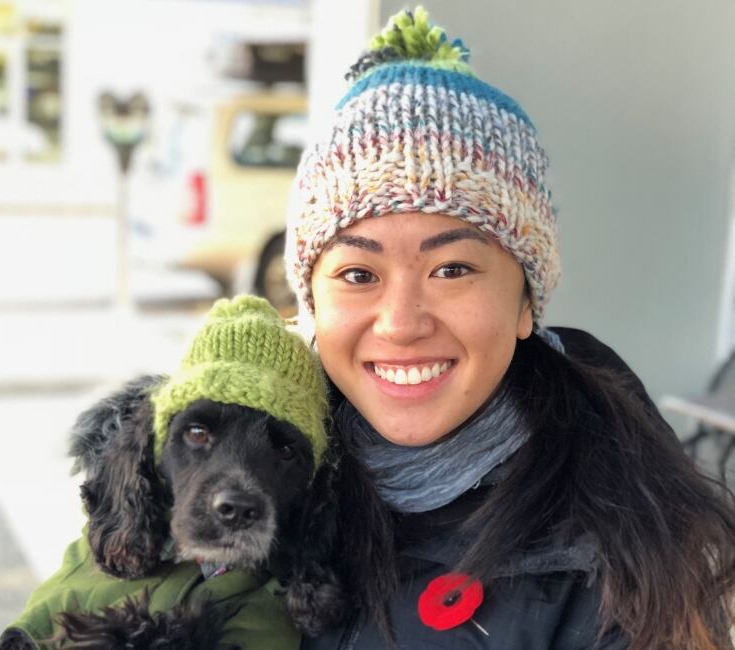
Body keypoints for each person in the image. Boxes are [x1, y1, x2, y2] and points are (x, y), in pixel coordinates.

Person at [283, 7, 735, 649]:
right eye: (358, 274)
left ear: (526, 303)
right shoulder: (246, 488)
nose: (402, 324)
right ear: (310, 304)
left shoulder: (626, 557)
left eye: (453, 268)